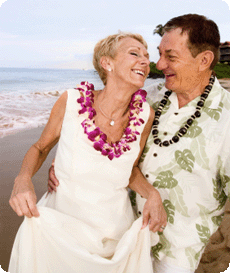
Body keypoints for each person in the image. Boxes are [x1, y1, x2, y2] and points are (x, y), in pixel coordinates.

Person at [47, 13, 230, 273]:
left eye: (171, 56)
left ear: (204, 60)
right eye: (159, 54)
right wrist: (65, 160)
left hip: (178, 254)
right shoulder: (146, 100)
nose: (159, 64)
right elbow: (103, 133)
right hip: (122, 237)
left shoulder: (227, 120)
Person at [8, 32, 161, 273]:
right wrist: (23, 178)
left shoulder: (145, 116)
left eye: (147, 56)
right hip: (61, 230)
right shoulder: (71, 101)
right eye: (134, 53)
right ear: (107, 63)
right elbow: (40, 147)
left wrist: (152, 194)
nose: (145, 61)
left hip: (116, 235)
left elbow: (129, 169)